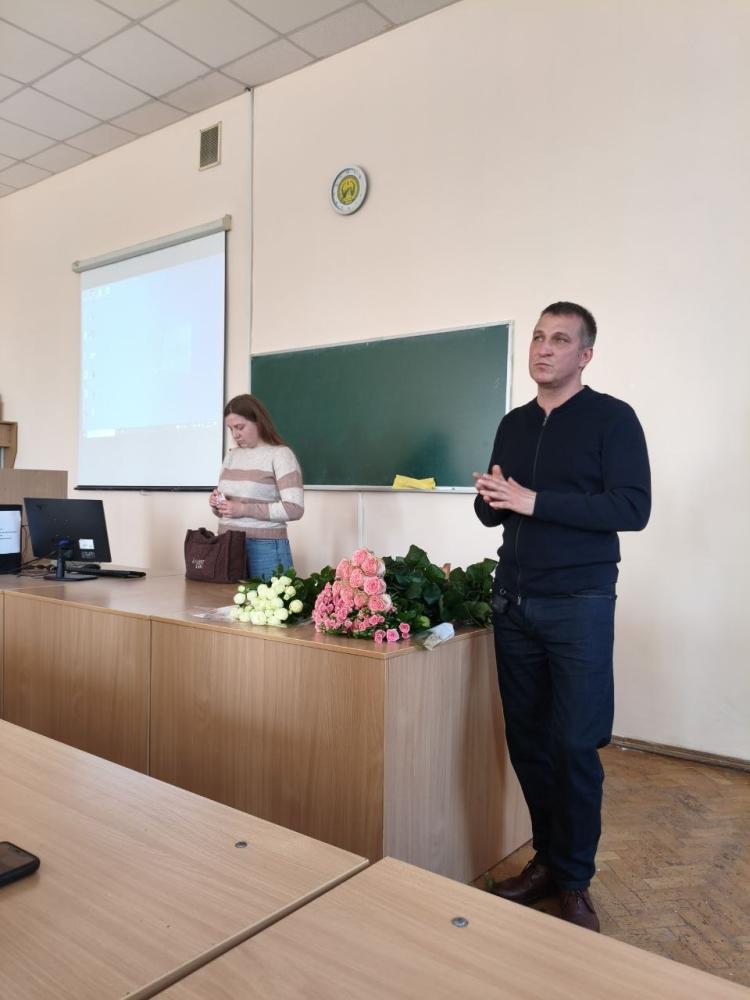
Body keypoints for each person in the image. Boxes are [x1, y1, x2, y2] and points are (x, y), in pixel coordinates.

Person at [473, 302, 650, 932]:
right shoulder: (514, 423)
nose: (544, 348)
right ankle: (547, 861)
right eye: (538, 338)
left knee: (574, 746)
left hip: (579, 605)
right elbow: (492, 513)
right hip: (513, 603)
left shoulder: (613, 419)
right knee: (529, 744)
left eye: (560, 339)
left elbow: (631, 508)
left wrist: (534, 501)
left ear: (585, 355)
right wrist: (493, 499)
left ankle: (575, 882)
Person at [210, 394, 304, 581]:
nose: (235, 435)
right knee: (226, 601)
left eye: (240, 427)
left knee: (271, 601)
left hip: (265, 548)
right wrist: (218, 504)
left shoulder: (280, 455)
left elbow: (294, 508)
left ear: (258, 422)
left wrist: (243, 509)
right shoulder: (232, 456)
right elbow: (228, 507)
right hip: (228, 545)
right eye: (230, 429)